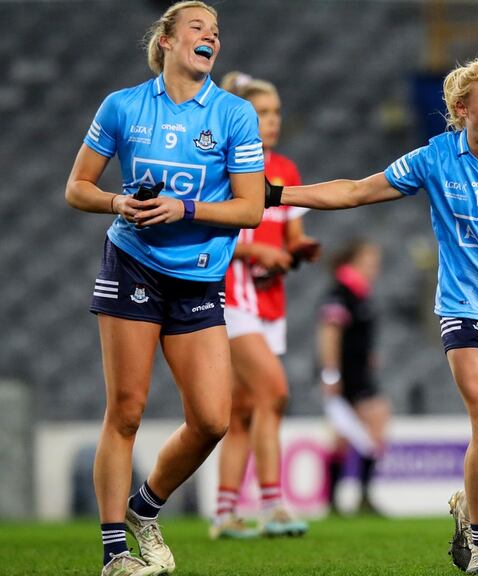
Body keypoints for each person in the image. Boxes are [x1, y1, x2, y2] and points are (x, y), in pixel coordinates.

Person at [265, 57, 478, 573]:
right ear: (461, 109)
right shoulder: (435, 158)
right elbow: (357, 190)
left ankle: (467, 508)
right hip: (464, 308)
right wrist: (276, 195)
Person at [64, 2, 266, 575]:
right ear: (167, 41)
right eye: (199, 28)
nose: (211, 38)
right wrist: (116, 201)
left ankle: (143, 508)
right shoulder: (123, 106)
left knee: (212, 419)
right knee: (125, 410)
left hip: (198, 275)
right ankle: (113, 554)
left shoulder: (233, 114)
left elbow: (251, 209)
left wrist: (186, 207)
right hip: (133, 262)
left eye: (217, 32)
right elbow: (77, 187)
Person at [208, 72, 320, 540]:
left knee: (243, 412)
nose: (271, 122)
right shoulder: (222, 165)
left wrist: (299, 249)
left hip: (270, 299)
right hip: (232, 296)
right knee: (274, 392)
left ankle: (225, 513)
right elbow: (205, 229)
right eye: (261, 113)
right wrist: (255, 252)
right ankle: (273, 504)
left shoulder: (285, 171)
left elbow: (290, 236)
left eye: (275, 113)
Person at [318, 239, 390, 516]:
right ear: (353, 262)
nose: (375, 267)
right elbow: (329, 334)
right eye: (369, 261)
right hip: (345, 377)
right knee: (353, 434)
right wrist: (331, 373)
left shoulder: (360, 294)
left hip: (359, 373)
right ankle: (352, 498)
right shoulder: (340, 293)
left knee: (358, 433)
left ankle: (351, 498)